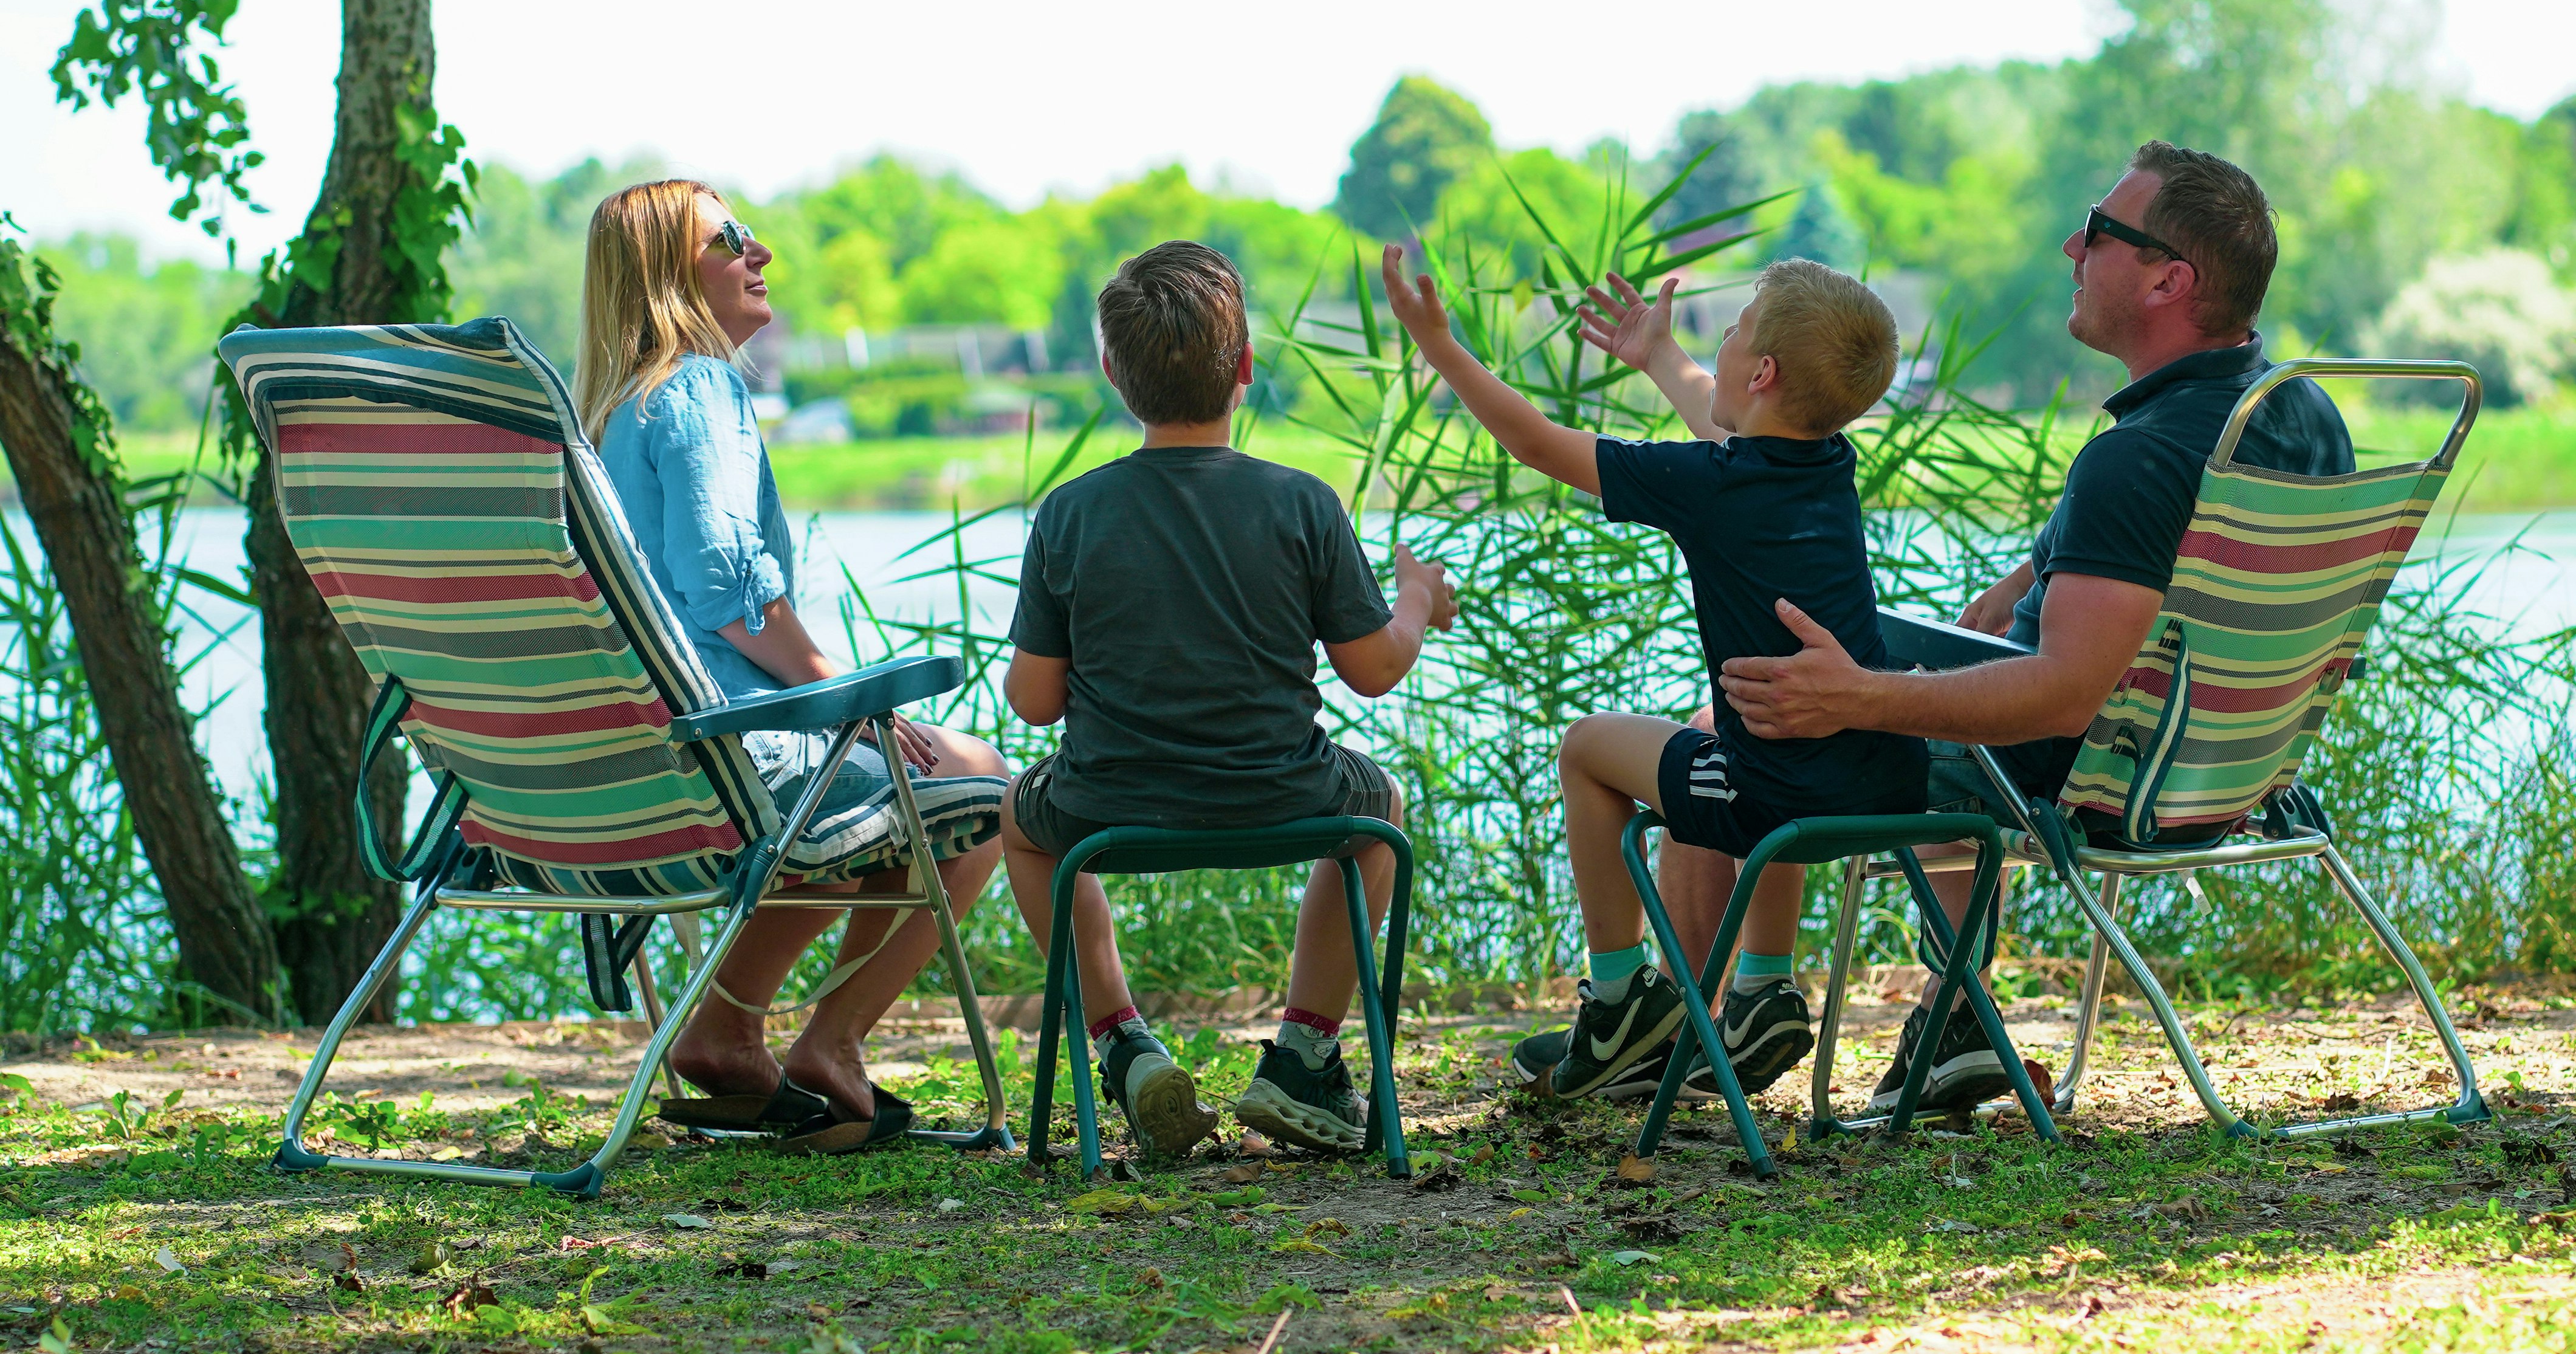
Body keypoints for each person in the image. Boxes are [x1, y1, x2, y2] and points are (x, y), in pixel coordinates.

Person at [1717, 140, 2355, 1115]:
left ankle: (1736, 1001)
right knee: (1912, 684)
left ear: (2168, 280)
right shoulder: (2294, 416)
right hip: (2235, 773)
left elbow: (2062, 695)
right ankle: (1954, 1017)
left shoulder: (2135, 459)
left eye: (2100, 232)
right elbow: (2170, 559)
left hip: (2104, 782)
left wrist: (1867, 696)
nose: (2072, 244)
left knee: (1767, 713)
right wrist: (2041, 567)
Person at [1379, 244, 1923, 1102]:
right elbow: (1726, 416)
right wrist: (1659, 357)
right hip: (1877, 778)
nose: (1727, 344)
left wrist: (1440, 347)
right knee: (1733, 727)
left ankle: (1619, 993)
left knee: (1588, 748)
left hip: (1779, 800)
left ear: (1765, 370)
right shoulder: (1826, 462)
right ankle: (1761, 989)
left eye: (1736, 332)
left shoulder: (1709, 482)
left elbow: (1533, 442)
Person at [578, 178, 1013, 1153]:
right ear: (668, 274)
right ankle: (824, 1041)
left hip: (632, 769)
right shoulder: (697, 386)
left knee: (879, 803)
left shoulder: (610, 416)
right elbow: (732, 591)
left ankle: (731, 1031)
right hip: (726, 752)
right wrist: (845, 700)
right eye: (730, 237)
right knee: (982, 789)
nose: (759, 249)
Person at [1000, 241, 1455, 1158]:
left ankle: (1122, 1043)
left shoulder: (1070, 512)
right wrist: (1415, 603)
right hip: (1283, 797)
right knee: (1379, 815)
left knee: (1020, 820)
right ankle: (1302, 1052)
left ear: (1112, 376)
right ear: (1244, 367)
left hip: (1106, 807)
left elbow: (1033, 704)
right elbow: (1372, 670)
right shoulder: (1303, 503)